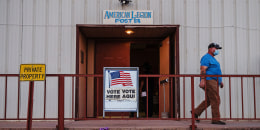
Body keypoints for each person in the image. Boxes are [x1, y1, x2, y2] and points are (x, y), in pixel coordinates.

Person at [193, 43, 226, 125]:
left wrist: (220, 81)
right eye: (216, 48)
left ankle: (195, 112)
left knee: (209, 100)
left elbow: (216, 71)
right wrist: (203, 80)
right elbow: (203, 69)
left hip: (214, 81)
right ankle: (215, 119)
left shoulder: (213, 59)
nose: (217, 51)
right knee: (216, 99)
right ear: (211, 49)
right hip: (209, 80)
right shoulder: (206, 58)